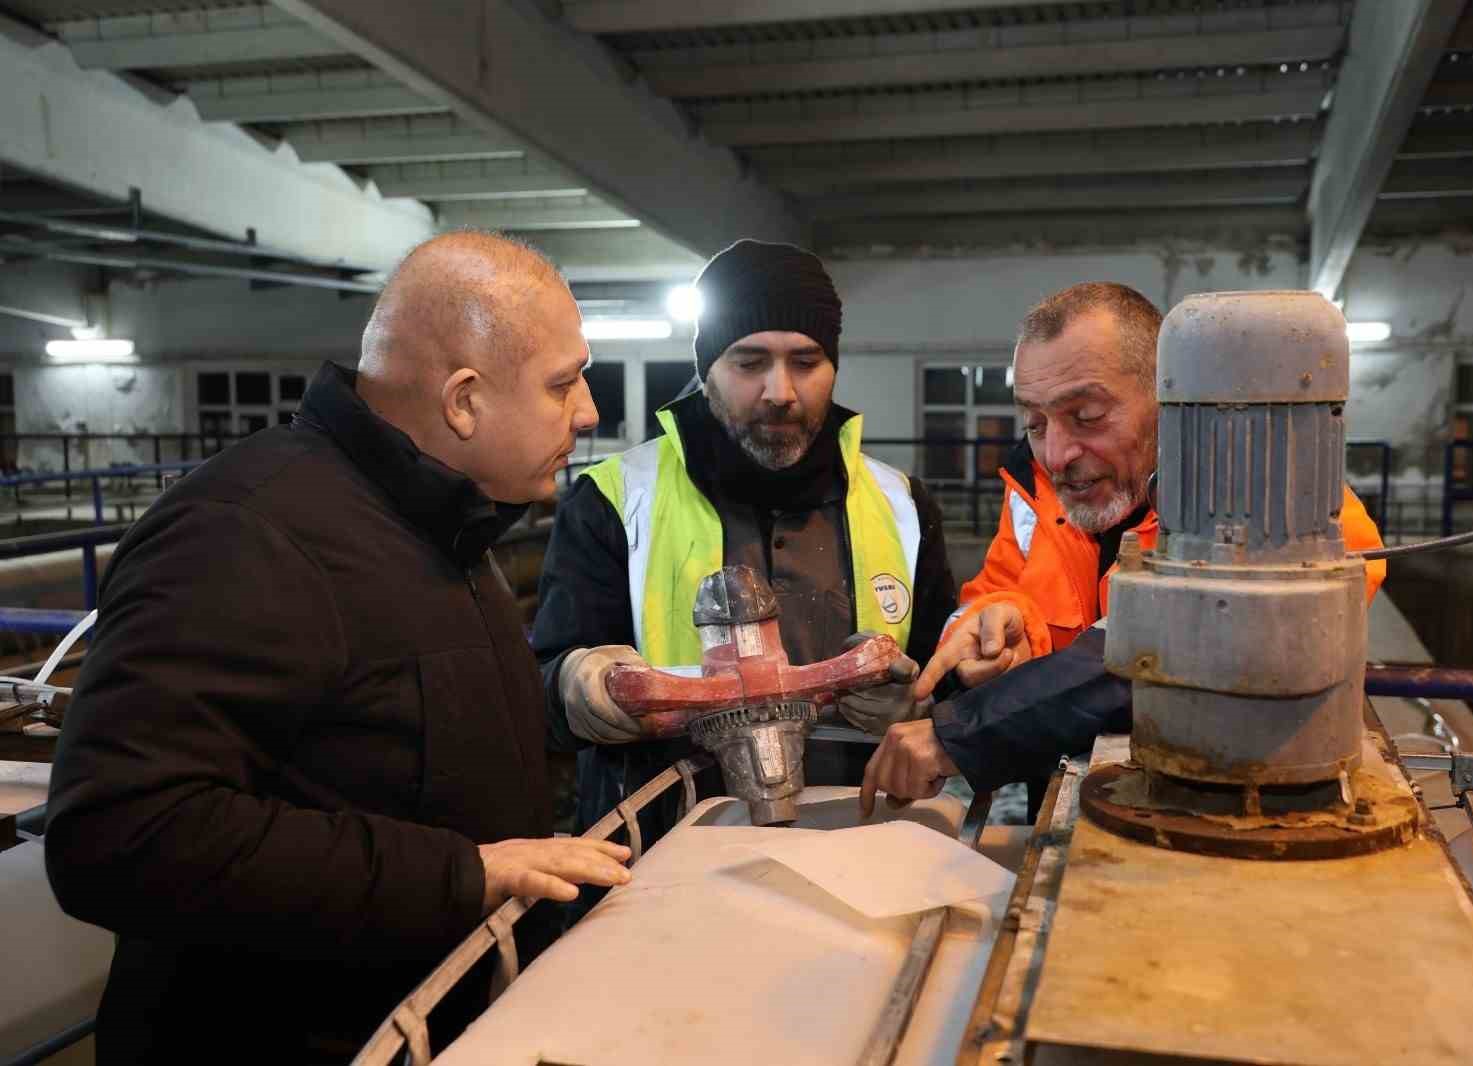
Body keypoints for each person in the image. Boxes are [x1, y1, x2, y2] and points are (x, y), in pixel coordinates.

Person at [44, 232, 632, 1064]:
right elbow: (117, 834)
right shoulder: (246, 531)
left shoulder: (446, 525)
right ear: (464, 401)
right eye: (563, 383)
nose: (588, 412)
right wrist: (461, 874)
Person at [860, 282, 1387, 814]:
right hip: (1079, 802)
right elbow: (1001, 590)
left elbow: (1181, 644)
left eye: (1087, 416)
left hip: (1229, 815)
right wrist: (995, 634)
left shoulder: (1279, 502)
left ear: (1168, 397)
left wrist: (966, 733)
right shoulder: (1033, 487)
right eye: (1035, 423)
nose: (1058, 454)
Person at [533, 239, 958, 852]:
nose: (780, 391)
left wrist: (913, 702)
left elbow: (947, 678)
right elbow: (540, 694)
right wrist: (574, 687)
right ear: (706, 367)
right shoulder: (611, 501)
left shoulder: (903, 505)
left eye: (806, 362)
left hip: (863, 842)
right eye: (749, 361)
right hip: (664, 852)